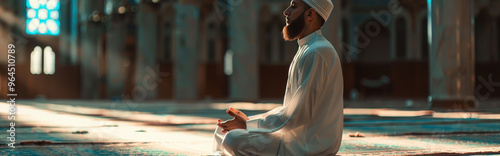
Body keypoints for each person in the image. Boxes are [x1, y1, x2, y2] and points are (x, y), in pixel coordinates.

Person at [213, 0, 343, 155]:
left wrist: (248, 123)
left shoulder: (318, 52)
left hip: (308, 145)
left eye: (294, 6)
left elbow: (298, 115)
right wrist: (248, 122)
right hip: (293, 135)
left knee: (232, 139)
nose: (286, 12)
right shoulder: (307, 48)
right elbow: (292, 112)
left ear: (310, 14)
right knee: (222, 132)